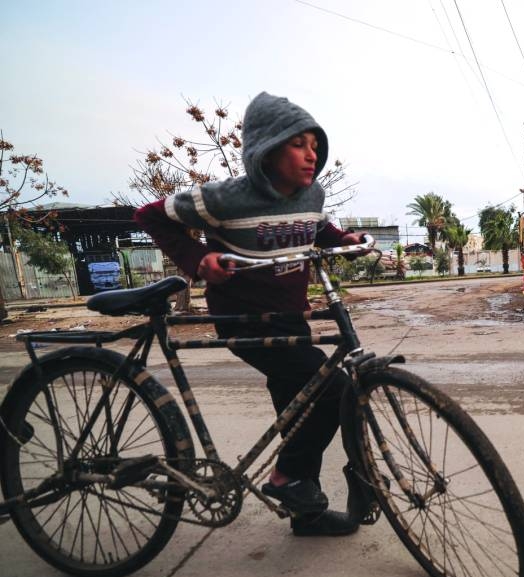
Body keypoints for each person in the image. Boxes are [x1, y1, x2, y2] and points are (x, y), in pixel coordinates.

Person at [135, 92, 366, 537]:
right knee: (332, 388)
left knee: (298, 410)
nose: (311, 154)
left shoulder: (312, 192)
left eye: (315, 144)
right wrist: (198, 259)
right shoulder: (224, 199)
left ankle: (305, 512)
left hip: (290, 316)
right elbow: (150, 214)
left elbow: (314, 226)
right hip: (242, 320)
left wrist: (345, 239)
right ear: (267, 148)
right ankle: (285, 479)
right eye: (298, 144)